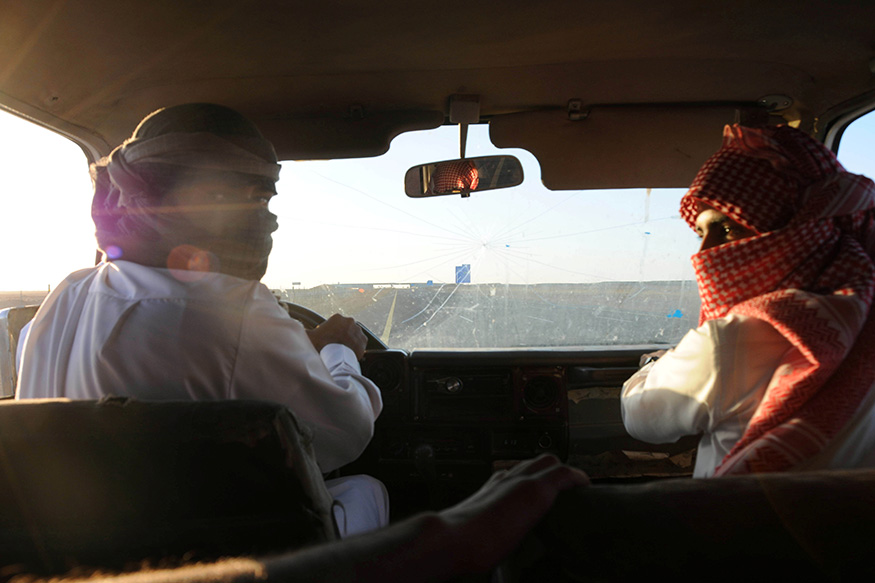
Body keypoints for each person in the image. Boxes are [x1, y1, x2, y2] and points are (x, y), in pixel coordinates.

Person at [15, 103, 386, 535]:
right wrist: (340, 349)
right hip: (204, 554)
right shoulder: (231, 309)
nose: (260, 217)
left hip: (71, 554)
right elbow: (346, 434)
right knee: (366, 489)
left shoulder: (66, 294)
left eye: (261, 196)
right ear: (151, 198)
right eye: (217, 195)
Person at [621, 123, 875, 477]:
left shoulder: (731, 341)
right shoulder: (865, 314)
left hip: (743, 526)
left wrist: (652, 366)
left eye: (728, 229)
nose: (704, 253)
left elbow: (640, 418)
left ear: (797, 228)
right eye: (700, 232)